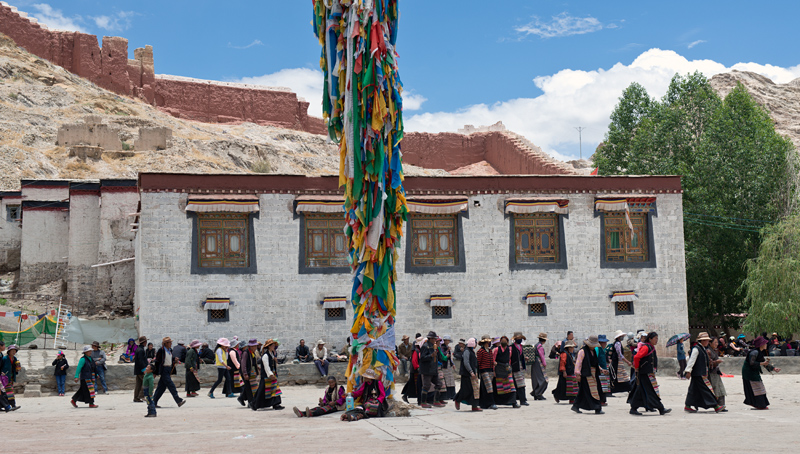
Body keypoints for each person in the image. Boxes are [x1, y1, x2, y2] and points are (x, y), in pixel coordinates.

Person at [628, 332, 670, 416]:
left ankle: (634, 408)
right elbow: (636, 357)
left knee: (640, 390)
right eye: (655, 339)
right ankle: (661, 408)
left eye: (657, 339)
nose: (656, 340)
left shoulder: (651, 347)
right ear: (650, 339)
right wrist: (636, 368)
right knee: (651, 391)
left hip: (647, 373)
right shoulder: (646, 348)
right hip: (644, 373)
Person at [683, 332, 724, 413]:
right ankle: (715, 406)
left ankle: (688, 405)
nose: (708, 342)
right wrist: (688, 371)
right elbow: (691, 360)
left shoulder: (702, 349)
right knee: (707, 389)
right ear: (702, 341)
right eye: (706, 340)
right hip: (699, 374)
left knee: (693, 390)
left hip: (701, 373)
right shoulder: (696, 349)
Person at [743, 336, 779, 410]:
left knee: (759, 387)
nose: (766, 344)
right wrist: (762, 363)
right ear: (761, 345)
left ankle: (760, 404)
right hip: (749, 372)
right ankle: (758, 404)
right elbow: (752, 363)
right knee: (755, 387)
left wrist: (774, 369)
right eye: (765, 343)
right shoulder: (754, 352)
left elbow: (763, 363)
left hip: (754, 372)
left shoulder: (759, 352)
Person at [571, 336, 603, 414]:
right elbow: (578, 363)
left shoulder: (593, 352)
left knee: (584, 391)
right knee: (592, 391)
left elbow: (594, 363)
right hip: (586, 374)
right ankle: (597, 407)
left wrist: (600, 369)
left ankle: (576, 405)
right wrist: (577, 374)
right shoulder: (582, 351)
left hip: (594, 374)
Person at [153, 337, 187, 408]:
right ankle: (178, 400)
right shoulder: (161, 350)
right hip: (164, 370)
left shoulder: (170, 350)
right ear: (166, 343)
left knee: (161, 387)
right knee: (171, 385)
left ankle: (153, 402)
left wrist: (174, 359)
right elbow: (157, 361)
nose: (171, 344)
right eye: (170, 342)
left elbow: (169, 359)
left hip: (168, 369)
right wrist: (155, 372)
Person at [251, 339, 284, 411]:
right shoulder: (266, 355)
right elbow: (266, 366)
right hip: (266, 376)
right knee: (262, 390)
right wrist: (270, 374)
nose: (273, 346)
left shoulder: (272, 354)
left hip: (271, 374)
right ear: (269, 346)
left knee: (275, 389)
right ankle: (254, 404)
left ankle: (276, 404)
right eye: (272, 345)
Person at [419, 331, 445, 408]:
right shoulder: (425, 346)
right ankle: (423, 402)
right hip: (427, 370)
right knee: (426, 386)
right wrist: (431, 355)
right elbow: (422, 358)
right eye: (434, 339)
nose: (435, 340)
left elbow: (438, 357)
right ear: (430, 338)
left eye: (435, 339)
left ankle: (436, 400)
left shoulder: (434, 347)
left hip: (434, 369)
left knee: (439, 384)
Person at [492, 335, 519, 408]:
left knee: (511, 386)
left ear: (507, 342)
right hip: (499, 370)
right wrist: (493, 370)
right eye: (502, 340)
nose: (504, 341)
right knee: (498, 387)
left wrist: (509, 368)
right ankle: (496, 402)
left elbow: (509, 359)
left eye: (505, 340)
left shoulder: (509, 349)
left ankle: (513, 402)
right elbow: (493, 360)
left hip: (507, 370)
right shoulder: (496, 349)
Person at [454, 338, 481, 412]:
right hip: (466, 374)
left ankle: (474, 406)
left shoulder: (471, 351)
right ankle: (457, 399)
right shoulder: (466, 351)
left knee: (474, 390)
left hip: (472, 374)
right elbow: (466, 363)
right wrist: (471, 372)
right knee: (466, 390)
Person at [238, 339, 260, 407]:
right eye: (254, 346)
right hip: (247, 372)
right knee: (248, 388)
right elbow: (243, 364)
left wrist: (257, 368)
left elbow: (253, 362)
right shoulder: (246, 353)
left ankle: (241, 398)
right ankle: (250, 402)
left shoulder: (252, 353)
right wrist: (245, 374)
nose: (255, 348)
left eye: (256, 346)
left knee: (251, 387)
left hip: (252, 372)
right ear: (250, 346)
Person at [477, 335, 497, 410]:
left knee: (486, 388)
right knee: (489, 387)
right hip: (484, 370)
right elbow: (478, 362)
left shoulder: (490, 351)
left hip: (490, 370)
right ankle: (491, 403)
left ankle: (484, 404)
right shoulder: (480, 351)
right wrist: (478, 373)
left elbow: (491, 360)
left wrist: (493, 365)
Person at [401, 336, 422, 404]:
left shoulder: (418, 349)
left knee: (412, 384)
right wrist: (418, 367)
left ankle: (405, 395)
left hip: (416, 370)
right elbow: (414, 361)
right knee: (413, 384)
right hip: (415, 370)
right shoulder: (416, 351)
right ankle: (405, 395)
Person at [707, 337, 727, 409]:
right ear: (710, 343)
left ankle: (721, 405)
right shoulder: (708, 351)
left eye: (717, 342)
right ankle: (718, 405)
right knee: (716, 389)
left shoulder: (714, 350)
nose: (716, 344)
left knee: (720, 389)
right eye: (714, 342)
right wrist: (716, 362)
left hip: (716, 372)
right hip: (712, 373)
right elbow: (709, 363)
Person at [528, 333, 548, 401]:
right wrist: (544, 364)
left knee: (536, 379)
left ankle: (536, 393)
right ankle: (538, 393)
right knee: (544, 379)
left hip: (534, 363)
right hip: (539, 362)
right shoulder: (540, 347)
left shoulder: (536, 345)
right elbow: (542, 356)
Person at [1, 344, 21, 410]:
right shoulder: (5, 358)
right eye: (12, 350)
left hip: (11, 377)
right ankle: (13, 405)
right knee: (10, 391)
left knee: (7, 392)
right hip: (5, 378)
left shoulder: (15, 358)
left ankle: (5, 406)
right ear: (9, 351)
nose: (13, 352)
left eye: (14, 351)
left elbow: (15, 368)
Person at [510, 332, 528, 406]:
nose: (519, 339)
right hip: (514, 367)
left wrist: (524, 359)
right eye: (518, 338)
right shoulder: (511, 347)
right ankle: (518, 400)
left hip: (520, 367)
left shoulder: (521, 347)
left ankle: (523, 400)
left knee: (521, 384)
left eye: (520, 338)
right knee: (516, 384)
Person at [439, 335, 457, 400]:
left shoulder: (447, 347)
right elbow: (443, 355)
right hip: (444, 365)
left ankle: (452, 394)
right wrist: (447, 351)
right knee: (446, 379)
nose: (448, 341)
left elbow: (449, 358)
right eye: (447, 340)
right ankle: (447, 394)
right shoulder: (442, 347)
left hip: (448, 364)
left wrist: (452, 364)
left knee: (451, 379)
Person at [595, 334, 610, 405]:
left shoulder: (603, 350)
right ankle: (600, 401)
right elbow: (595, 360)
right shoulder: (597, 349)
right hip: (599, 371)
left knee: (604, 386)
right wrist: (600, 369)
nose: (606, 344)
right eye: (604, 342)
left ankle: (602, 400)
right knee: (600, 386)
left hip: (603, 370)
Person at [133, 336, 148, 402]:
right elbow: (141, 361)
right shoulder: (141, 350)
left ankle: (136, 397)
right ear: (144, 342)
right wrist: (144, 369)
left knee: (138, 384)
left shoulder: (139, 349)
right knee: (145, 383)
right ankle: (142, 396)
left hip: (138, 370)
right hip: (141, 370)